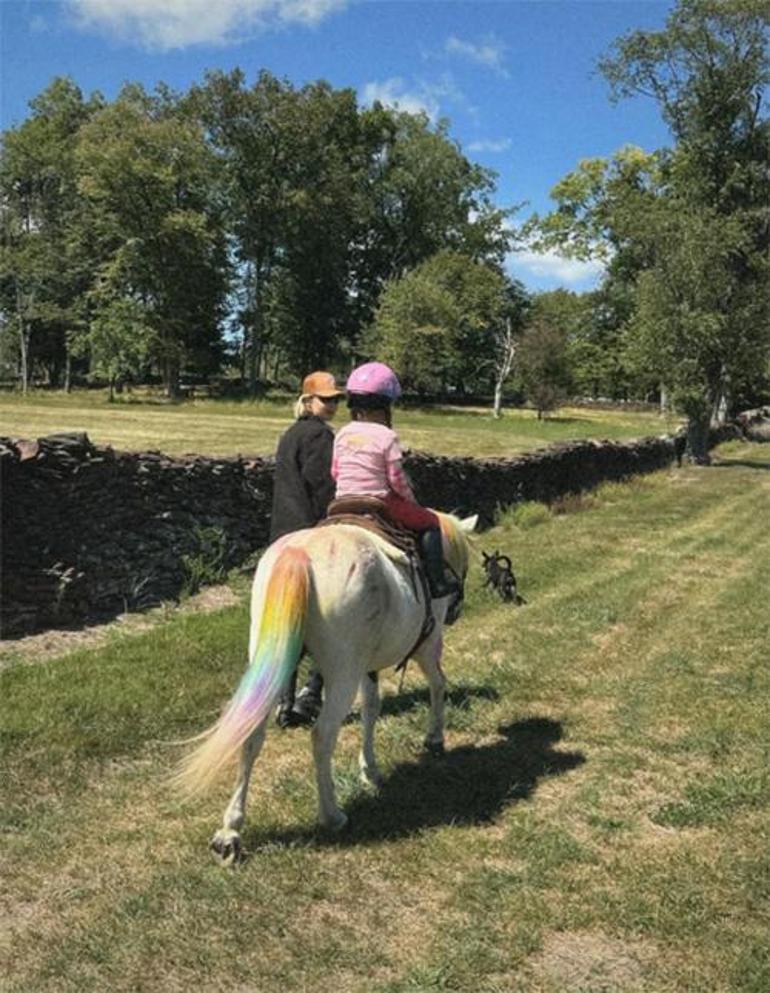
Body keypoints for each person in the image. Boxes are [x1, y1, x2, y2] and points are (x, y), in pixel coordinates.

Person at [332, 361, 460, 600]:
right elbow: (396, 479)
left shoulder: (342, 433)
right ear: (385, 405)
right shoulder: (387, 436)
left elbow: (335, 472)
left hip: (342, 502)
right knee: (431, 522)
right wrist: (411, 501)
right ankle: (437, 583)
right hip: (379, 501)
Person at [270, 370, 344, 727]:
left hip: (282, 536)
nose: (332, 404)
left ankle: (284, 702)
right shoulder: (320, 437)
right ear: (308, 400)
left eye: (335, 399)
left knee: (287, 624)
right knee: (331, 622)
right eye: (326, 399)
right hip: (312, 535)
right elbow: (322, 488)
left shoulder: (289, 435)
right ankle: (311, 694)